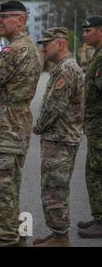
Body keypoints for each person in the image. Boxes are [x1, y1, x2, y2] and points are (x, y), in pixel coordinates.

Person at [0, 0, 42, 247]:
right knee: (11, 191)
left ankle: (8, 242)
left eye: (4, 17)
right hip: (17, 129)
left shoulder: (13, 51)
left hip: (5, 131)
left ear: (21, 20)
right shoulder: (31, 49)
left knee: (0, 196)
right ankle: (15, 239)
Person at [32, 28, 84, 247]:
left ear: (61, 44)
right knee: (54, 186)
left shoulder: (66, 69)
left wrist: (38, 127)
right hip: (59, 138)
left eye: (47, 43)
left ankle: (61, 238)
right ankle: (57, 233)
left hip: (61, 139)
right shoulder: (63, 68)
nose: (43, 48)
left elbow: (55, 106)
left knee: (55, 188)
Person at [78, 16, 102, 238]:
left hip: (100, 129)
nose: (84, 34)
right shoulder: (97, 54)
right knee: (94, 173)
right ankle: (98, 217)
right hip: (95, 128)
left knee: (96, 174)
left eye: (89, 31)